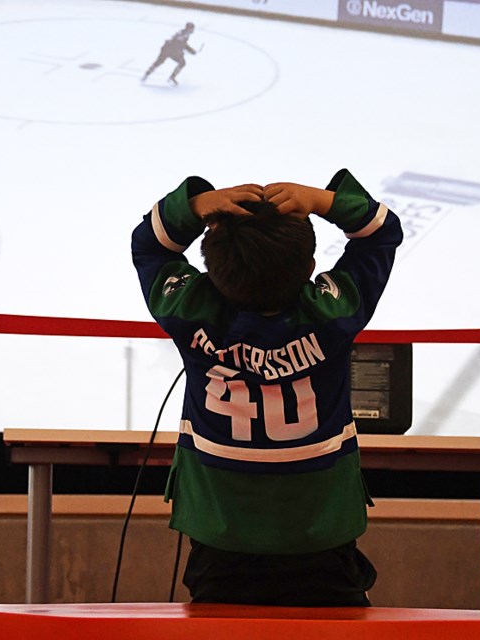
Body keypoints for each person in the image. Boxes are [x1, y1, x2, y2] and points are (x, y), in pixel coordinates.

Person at [131, 169, 403, 606]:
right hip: (322, 541)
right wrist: (323, 199)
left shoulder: (192, 310)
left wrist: (197, 204)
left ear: (210, 271)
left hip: (220, 543)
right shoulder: (330, 317)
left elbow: (148, 242)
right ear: (311, 269)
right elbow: (381, 232)